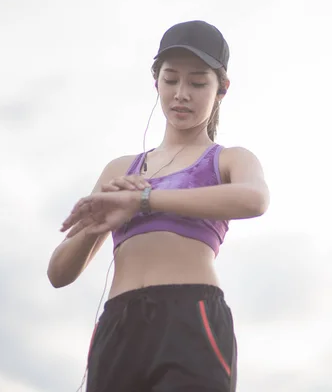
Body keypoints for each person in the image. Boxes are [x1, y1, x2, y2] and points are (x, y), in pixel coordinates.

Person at [47, 20, 270, 392]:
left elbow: (255, 199)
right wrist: (98, 224)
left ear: (221, 89)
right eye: (170, 80)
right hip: (119, 325)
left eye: (198, 82)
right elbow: (58, 274)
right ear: (156, 82)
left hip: (191, 317)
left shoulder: (228, 159)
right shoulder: (121, 169)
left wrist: (144, 200)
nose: (181, 93)